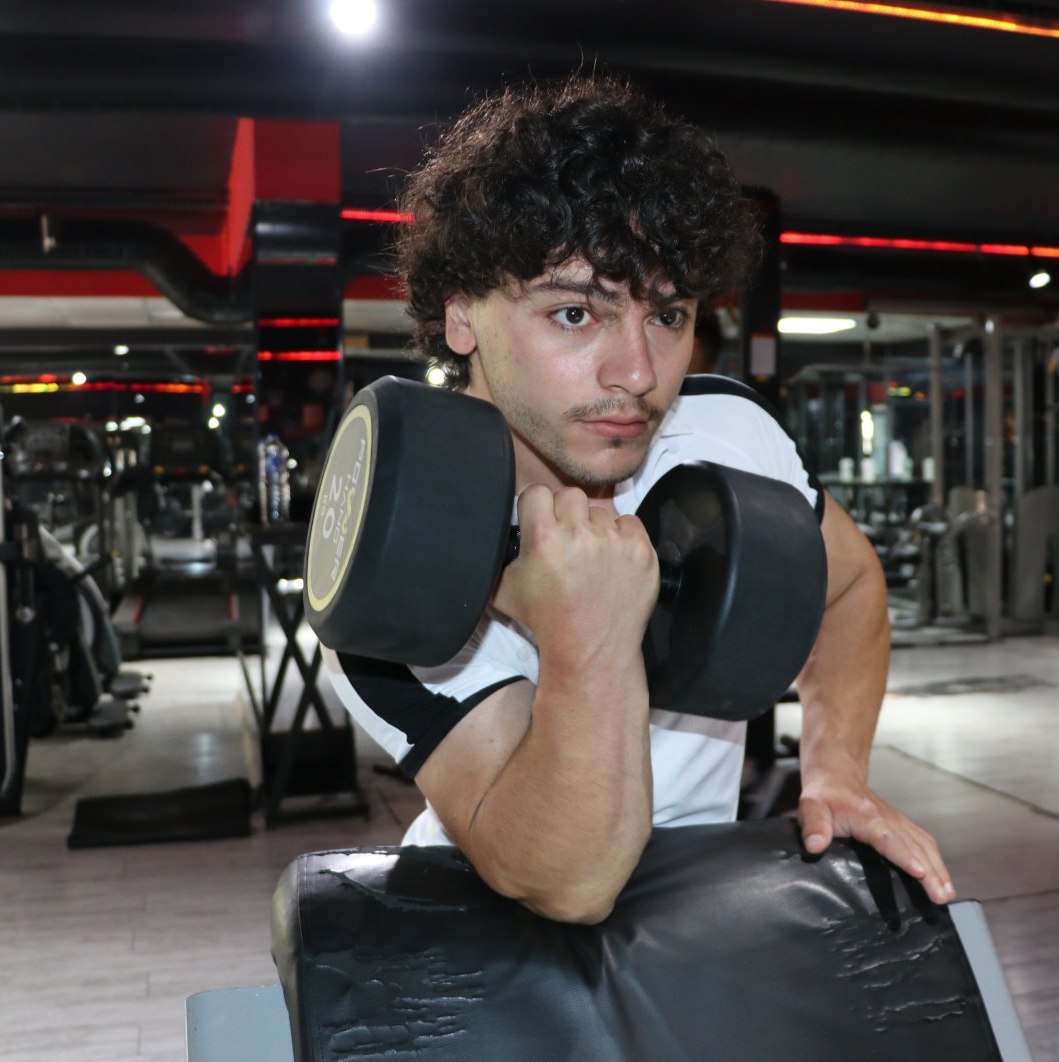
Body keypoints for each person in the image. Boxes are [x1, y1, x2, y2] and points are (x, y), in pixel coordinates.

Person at [322, 76, 952, 923]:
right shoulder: (392, 558)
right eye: (577, 314)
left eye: (668, 315)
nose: (640, 375)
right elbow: (567, 882)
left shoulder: (723, 431)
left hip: (701, 900)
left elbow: (846, 587)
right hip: (492, 936)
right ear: (462, 315)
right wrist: (588, 635)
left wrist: (836, 770)